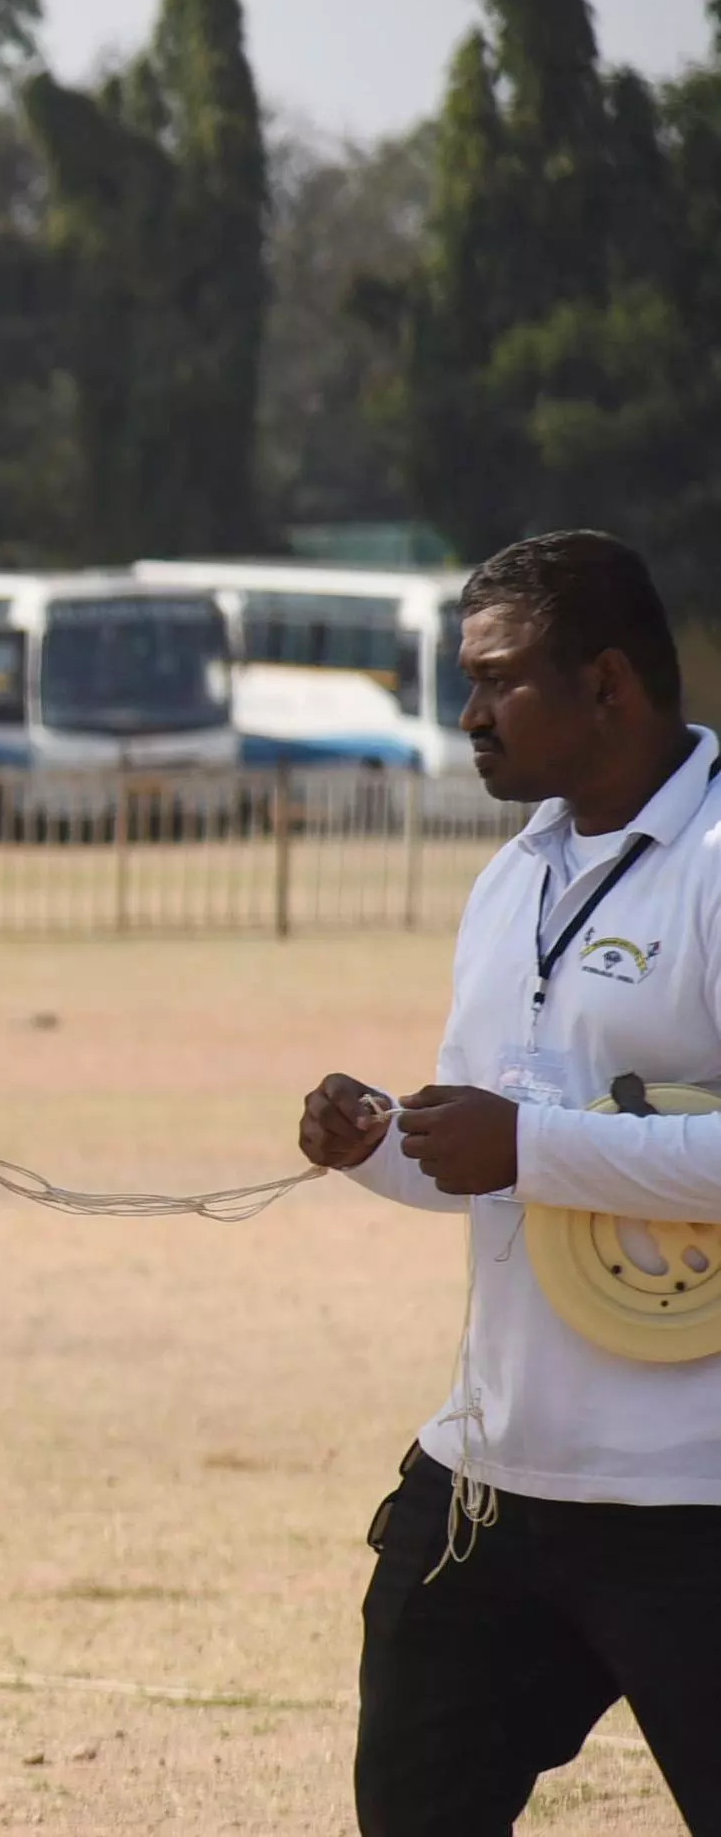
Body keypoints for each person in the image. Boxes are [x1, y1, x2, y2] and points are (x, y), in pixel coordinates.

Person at [296, 530, 721, 1831]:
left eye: (494, 681)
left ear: (606, 684)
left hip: (690, 1502)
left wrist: (523, 1142)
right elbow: (481, 1162)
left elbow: (519, 1147)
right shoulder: (510, 873)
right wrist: (378, 1141)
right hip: (488, 1485)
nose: (464, 715)